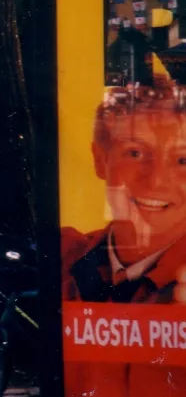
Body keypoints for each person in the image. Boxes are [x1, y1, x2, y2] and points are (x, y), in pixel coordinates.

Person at [62, 77, 186, 396]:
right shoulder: (64, 258)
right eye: (135, 153)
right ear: (100, 159)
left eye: (183, 159)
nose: (157, 179)